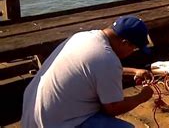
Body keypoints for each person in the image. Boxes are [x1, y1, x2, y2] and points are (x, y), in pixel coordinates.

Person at [21, 16, 155, 127]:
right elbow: (114, 108)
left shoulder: (83, 37)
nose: (132, 53)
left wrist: (134, 71)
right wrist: (142, 96)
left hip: (31, 117)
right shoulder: (108, 59)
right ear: (125, 43)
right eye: (134, 49)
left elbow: (92, 70)